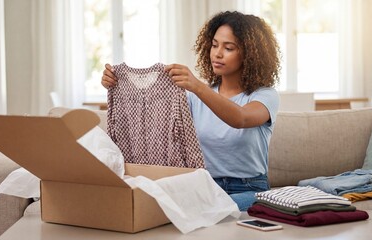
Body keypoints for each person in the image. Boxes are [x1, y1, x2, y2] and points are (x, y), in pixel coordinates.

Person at [101, 11, 281, 211]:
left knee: (211, 209)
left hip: (249, 189)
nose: (217, 53)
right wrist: (118, 85)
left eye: (229, 48)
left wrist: (196, 85)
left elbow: (241, 118)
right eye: (214, 45)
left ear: (251, 54)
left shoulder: (265, 96)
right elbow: (153, 117)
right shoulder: (195, 98)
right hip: (203, 186)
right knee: (190, 208)